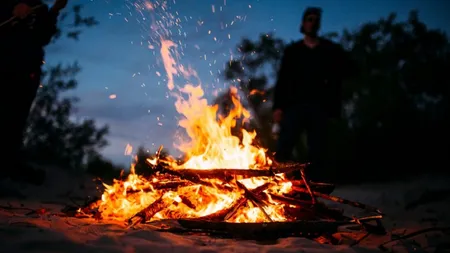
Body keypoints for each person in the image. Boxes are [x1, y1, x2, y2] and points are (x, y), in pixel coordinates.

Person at [272, 7, 353, 181]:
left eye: (316, 19)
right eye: (309, 19)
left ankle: (314, 188)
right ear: (303, 23)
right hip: (294, 105)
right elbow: (283, 80)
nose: (312, 22)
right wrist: (278, 107)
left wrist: (334, 108)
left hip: (319, 107)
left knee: (318, 150)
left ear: (319, 24)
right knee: (285, 145)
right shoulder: (293, 51)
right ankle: (276, 181)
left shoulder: (329, 50)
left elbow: (339, 77)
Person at [0, 0, 68, 185]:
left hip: (26, 74)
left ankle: (7, 173)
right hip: (4, 70)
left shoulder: (39, 8)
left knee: (15, 124)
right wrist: (10, 10)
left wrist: (55, 10)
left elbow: (43, 37)